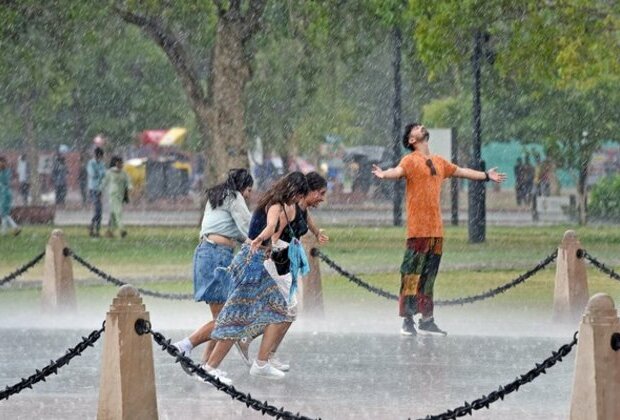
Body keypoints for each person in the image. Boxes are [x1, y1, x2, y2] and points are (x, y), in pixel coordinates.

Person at [372, 123, 506, 336]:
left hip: (436, 232)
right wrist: (384, 174)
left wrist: (486, 176)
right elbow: (397, 171)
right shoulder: (409, 160)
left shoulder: (439, 161)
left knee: (429, 278)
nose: (421, 126)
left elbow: (461, 171)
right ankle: (407, 320)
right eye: (416, 127)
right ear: (411, 140)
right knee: (410, 275)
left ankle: (427, 320)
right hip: (418, 231)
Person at [197, 172, 309, 384]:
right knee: (234, 318)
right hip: (252, 262)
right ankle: (209, 365)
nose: (298, 199)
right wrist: (259, 241)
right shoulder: (276, 205)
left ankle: (258, 362)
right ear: (292, 189)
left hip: (256, 262)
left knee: (275, 310)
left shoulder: (284, 204)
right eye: (298, 194)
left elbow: (268, 229)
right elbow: (268, 229)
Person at [240, 171, 329, 371]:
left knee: (286, 311)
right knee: (285, 310)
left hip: (285, 262)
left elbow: (308, 220)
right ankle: (260, 353)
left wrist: (316, 232)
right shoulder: (290, 208)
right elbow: (275, 233)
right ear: (309, 191)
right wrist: (271, 253)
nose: (322, 198)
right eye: (320, 193)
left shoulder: (303, 208)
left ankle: (265, 352)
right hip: (276, 262)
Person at [173, 169, 254, 365]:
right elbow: (248, 227)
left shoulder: (217, 198)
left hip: (206, 253)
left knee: (222, 317)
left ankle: (206, 367)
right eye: (249, 190)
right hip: (217, 256)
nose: (250, 195)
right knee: (225, 320)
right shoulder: (234, 197)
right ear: (243, 188)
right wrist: (266, 243)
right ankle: (185, 345)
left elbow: (233, 230)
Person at [101, 156, 131, 238]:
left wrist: (130, 191)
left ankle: (109, 232)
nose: (121, 164)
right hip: (113, 195)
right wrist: (99, 192)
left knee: (113, 214)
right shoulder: (110, 172)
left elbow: (128, 183)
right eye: (119, 162)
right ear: (115, 163)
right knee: (118, 212)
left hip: (120, 196)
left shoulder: (124, 173)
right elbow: (104, 183)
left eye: (122, 162)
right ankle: (122, 230)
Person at [87, 148, 106, 237]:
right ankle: (93, 226)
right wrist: (100, 173)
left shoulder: (102, 164)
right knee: (98, 209)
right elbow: (92, 174)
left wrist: (100, 173)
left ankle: (95, 228)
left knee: (99, 211)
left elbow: (104, 174)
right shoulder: (91, 163)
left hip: (100, 189)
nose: (100, 158)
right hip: (93, 189)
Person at [0, 156, 21, 236]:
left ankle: (15, 227)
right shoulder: (7, 171)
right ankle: (4, 231)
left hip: (4, 194)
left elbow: (3, 183)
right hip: (6, 193)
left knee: (4, 214)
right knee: (5, 214)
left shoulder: (3, 172)